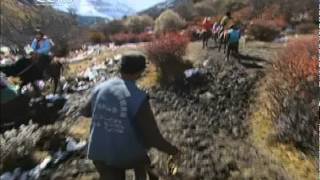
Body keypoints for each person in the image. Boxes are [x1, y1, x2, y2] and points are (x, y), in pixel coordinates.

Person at [82, 53, 179, 180]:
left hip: (97, 151)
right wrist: (173, 151)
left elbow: (85, 112)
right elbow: (153, 138)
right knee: (142, 163)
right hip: (125, 155)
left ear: (120, 68)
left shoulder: (100, 88)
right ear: (141, 71)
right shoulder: (138, 97)